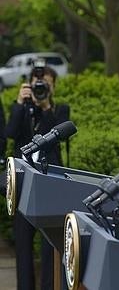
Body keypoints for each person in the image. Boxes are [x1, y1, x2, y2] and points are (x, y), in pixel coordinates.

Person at [6, 64, 70, 290]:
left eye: (46, 85)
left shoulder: (60, 110)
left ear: (53, 87)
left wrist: (45, 107)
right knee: (22, 246)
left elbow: (59, 139)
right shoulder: (22, 109)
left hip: (50, 186)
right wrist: (19, 104)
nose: (41, 88)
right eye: (37, 85)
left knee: (49, 247)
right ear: (29, 85)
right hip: (23, 185)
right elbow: (10, 134)